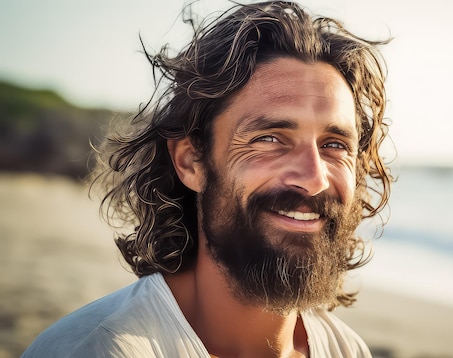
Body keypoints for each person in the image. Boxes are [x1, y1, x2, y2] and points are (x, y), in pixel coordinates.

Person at [22, 1, 392, 357]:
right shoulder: (97, 350)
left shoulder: (347, 350)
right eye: (269, 138)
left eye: (334, 144)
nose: (314, 179)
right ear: (191, 162)